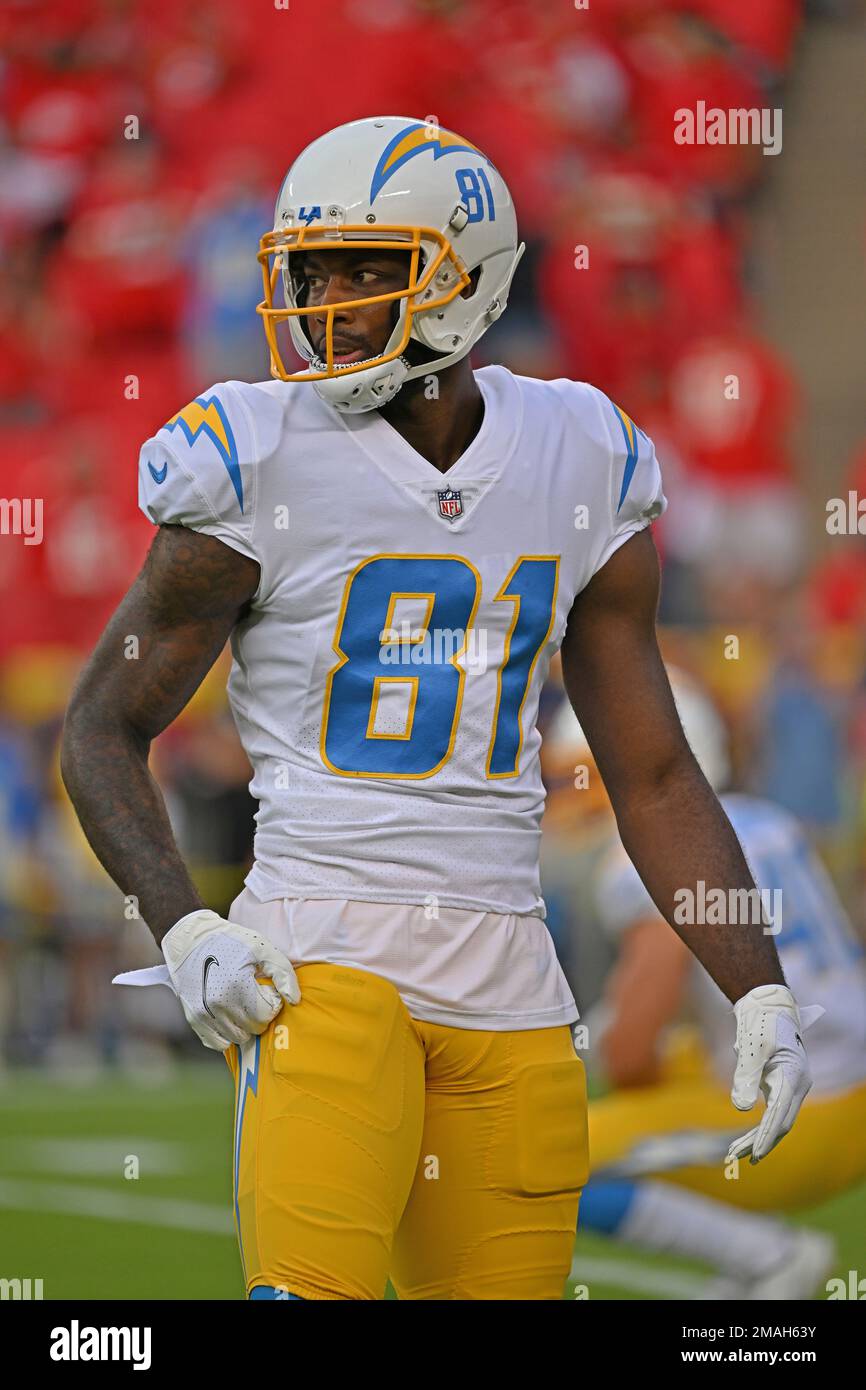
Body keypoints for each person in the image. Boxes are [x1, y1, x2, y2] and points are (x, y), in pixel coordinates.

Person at [61, 116, 814, 1301]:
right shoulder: (255, 454)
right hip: (319, 951)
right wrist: (184, 927)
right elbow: (102, 724)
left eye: (369, 268)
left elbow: (654, 772)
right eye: (314, 272)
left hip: (511, 971)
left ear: (465, 276)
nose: (331, 301)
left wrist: (755, 984)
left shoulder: (579, 453)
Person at [543, 670, 866, 1298]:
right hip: (846, 1081)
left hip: (810, 1116)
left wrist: (620, 1053)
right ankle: (748, 1253)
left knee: (542, 1156)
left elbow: (631, 1055)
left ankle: (770, 1255)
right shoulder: (765, 820)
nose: (578, 792)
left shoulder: (662, 853)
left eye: (587, 770)